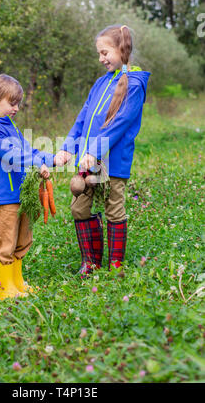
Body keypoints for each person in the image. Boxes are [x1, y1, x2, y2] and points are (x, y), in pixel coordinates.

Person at [54, 24, 150, 276]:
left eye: (105, 52)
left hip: (111, 162)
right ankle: (91, 262)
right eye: (99, 53)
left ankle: (115, 265)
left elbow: (120, 124)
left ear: (122, 49)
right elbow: (82, 118)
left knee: (113, 208)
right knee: (79, 208)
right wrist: (68, 149)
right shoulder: (100, 83)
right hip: (87, 162)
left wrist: (95, 151)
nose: (101, 58)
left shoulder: (134, 84)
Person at [0, 74, 54, 299]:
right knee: (5, 239)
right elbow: (12, 154)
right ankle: (5, 288)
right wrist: (36, 162)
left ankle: (17, 282)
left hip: (20, 194)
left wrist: (50, 158)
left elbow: (28, 152)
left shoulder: (10, 127)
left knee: (22, 239)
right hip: (3, 195)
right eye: (11, 103)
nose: (16, 108)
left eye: (18, 103)